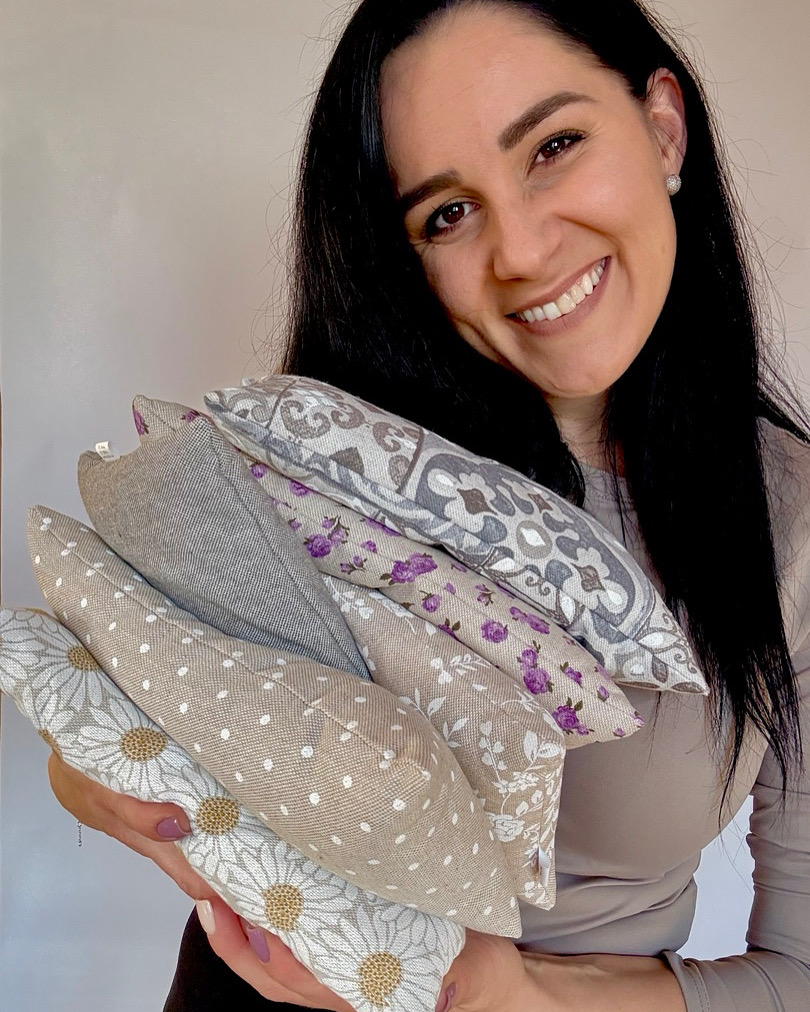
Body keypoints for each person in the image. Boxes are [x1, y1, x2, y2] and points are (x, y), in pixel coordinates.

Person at [47, 1, 810, 1009]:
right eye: (447, 212)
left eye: (553, 146)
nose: (522, 250)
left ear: (663, 125)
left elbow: (799, 970)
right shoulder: (331, 465)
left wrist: (521, 998)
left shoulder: (789, 515)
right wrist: (94, 761)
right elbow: (161, 677)